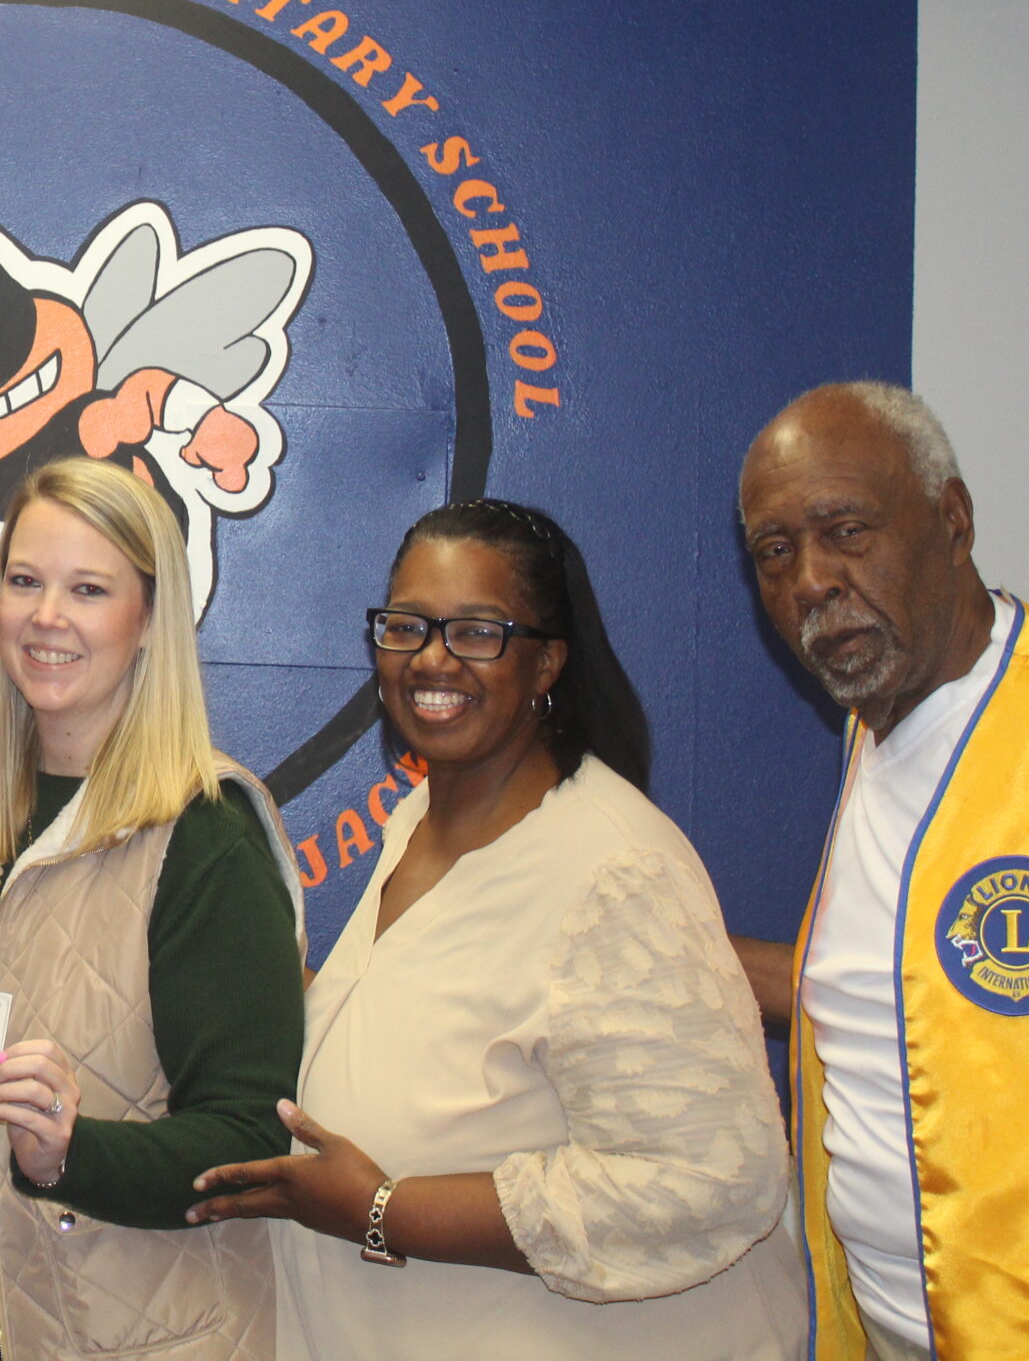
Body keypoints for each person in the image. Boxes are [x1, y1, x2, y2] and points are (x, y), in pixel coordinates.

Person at [192, 497, 802, 1359]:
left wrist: (382, 1209)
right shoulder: (416, 819)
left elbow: (714, 1180)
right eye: (406, 626)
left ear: (547, 661)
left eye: (478, 632)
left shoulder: (615, 868)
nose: (432, 658)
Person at [0, 457, 305, 1361]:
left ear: (150, 620)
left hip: (140, 1328)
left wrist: (67, 1154)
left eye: (88, 588)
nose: (47, 616)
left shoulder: (207, 835)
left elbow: (251, 1137)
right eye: (24, 581)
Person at [735, 382, 1029, 1361]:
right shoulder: (875, 729)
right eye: (774, 553)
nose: (809, 580)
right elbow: (882, 994)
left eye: (844, 530)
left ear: (952, 520)